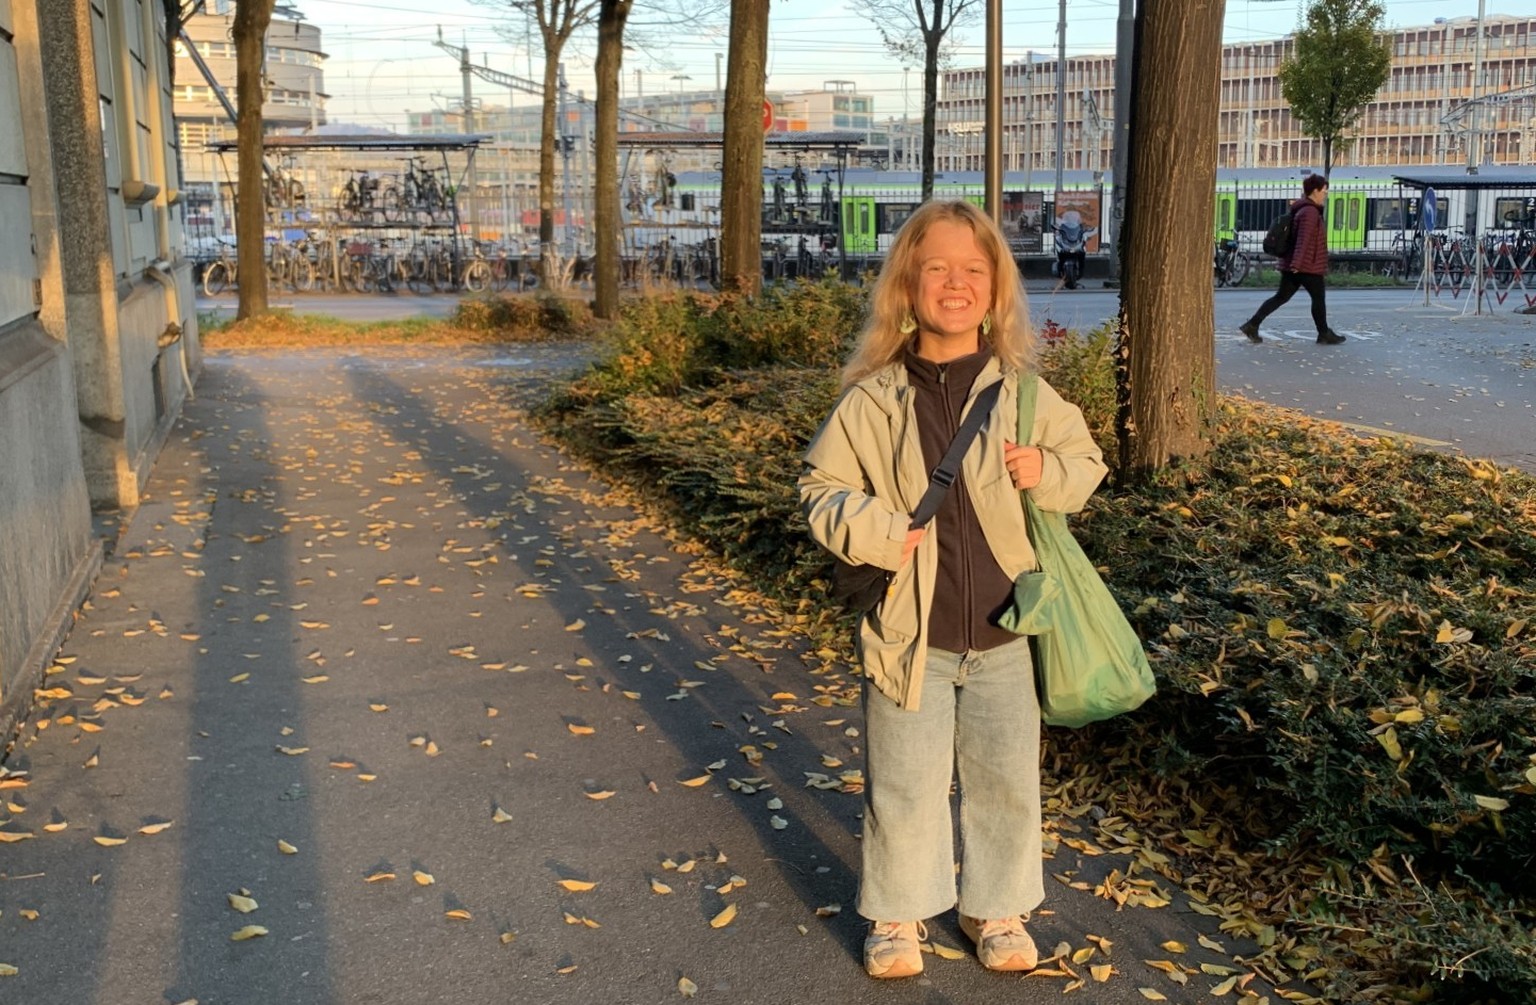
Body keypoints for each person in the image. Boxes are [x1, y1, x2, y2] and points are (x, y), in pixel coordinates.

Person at [798, 201, 1108, 980]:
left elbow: (1087, 465)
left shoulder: (1023, 395)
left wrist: (1047, 470)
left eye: (973, 269)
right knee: (904, 783)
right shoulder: (874, 399)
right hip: (911, 635)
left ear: (996, 289)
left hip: (1008, 633)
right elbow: (820, 489)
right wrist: (876, 526)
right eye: (935, 267)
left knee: (1006, 782)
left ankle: (994, 907)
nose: (955, 282)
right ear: (907, 285)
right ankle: (897, 913)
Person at [1240, 173, 1345, 345]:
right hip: (1307, 265)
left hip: (1295, 264)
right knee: (1318, 298)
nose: (1325, 194)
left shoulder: (1302, 209)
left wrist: (1294, 264)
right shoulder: (1310, 212)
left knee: (1281, 297)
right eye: (1324, 191)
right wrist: (1297, 264)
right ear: (1315, 191)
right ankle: (1324, 333)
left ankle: (1252, 324)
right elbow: (1304, 239)